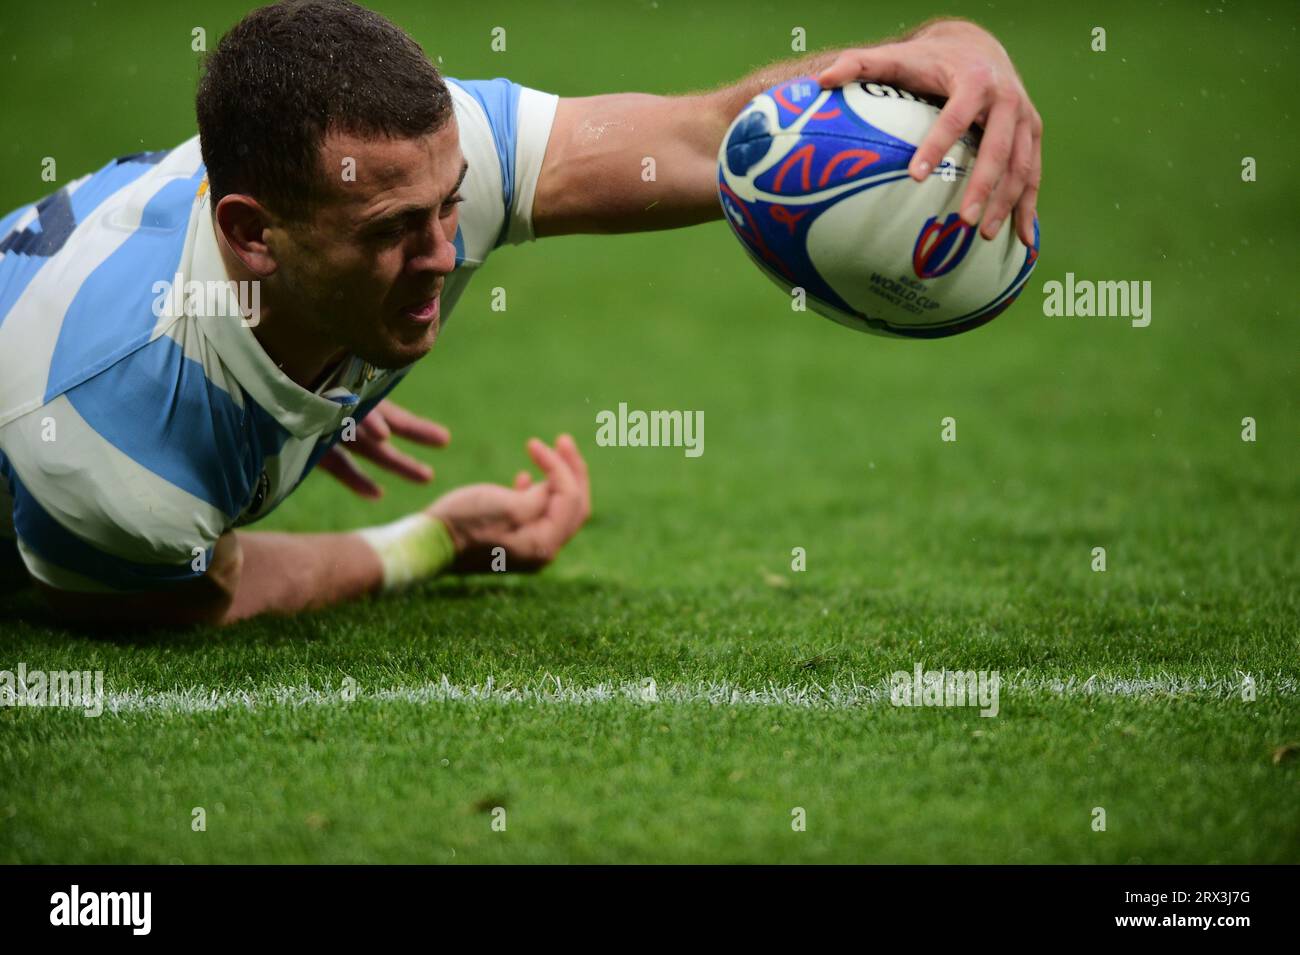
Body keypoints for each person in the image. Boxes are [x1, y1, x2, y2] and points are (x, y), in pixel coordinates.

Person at [0, 0, 1041, 628]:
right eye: (395, 230)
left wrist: (948, 43)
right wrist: (433, 542)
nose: (447, 252)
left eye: (454, 205)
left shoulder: (422, 162)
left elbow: (719, 139)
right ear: (253, 232)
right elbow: (210, 591)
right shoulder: (111, 452)